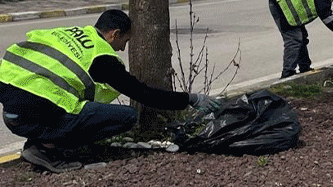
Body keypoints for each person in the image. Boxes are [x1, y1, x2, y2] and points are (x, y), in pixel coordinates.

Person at [0, 10, 219, 173]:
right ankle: (48, 149)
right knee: (127, 117)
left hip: (12, 116)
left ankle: (40, 142)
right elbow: (144, 94)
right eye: (125, 41)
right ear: (115, 34)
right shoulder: (101, 57)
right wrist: (191, 99)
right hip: (33, 114)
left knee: (63, 106)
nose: (123, 48)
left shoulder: (67, 33)